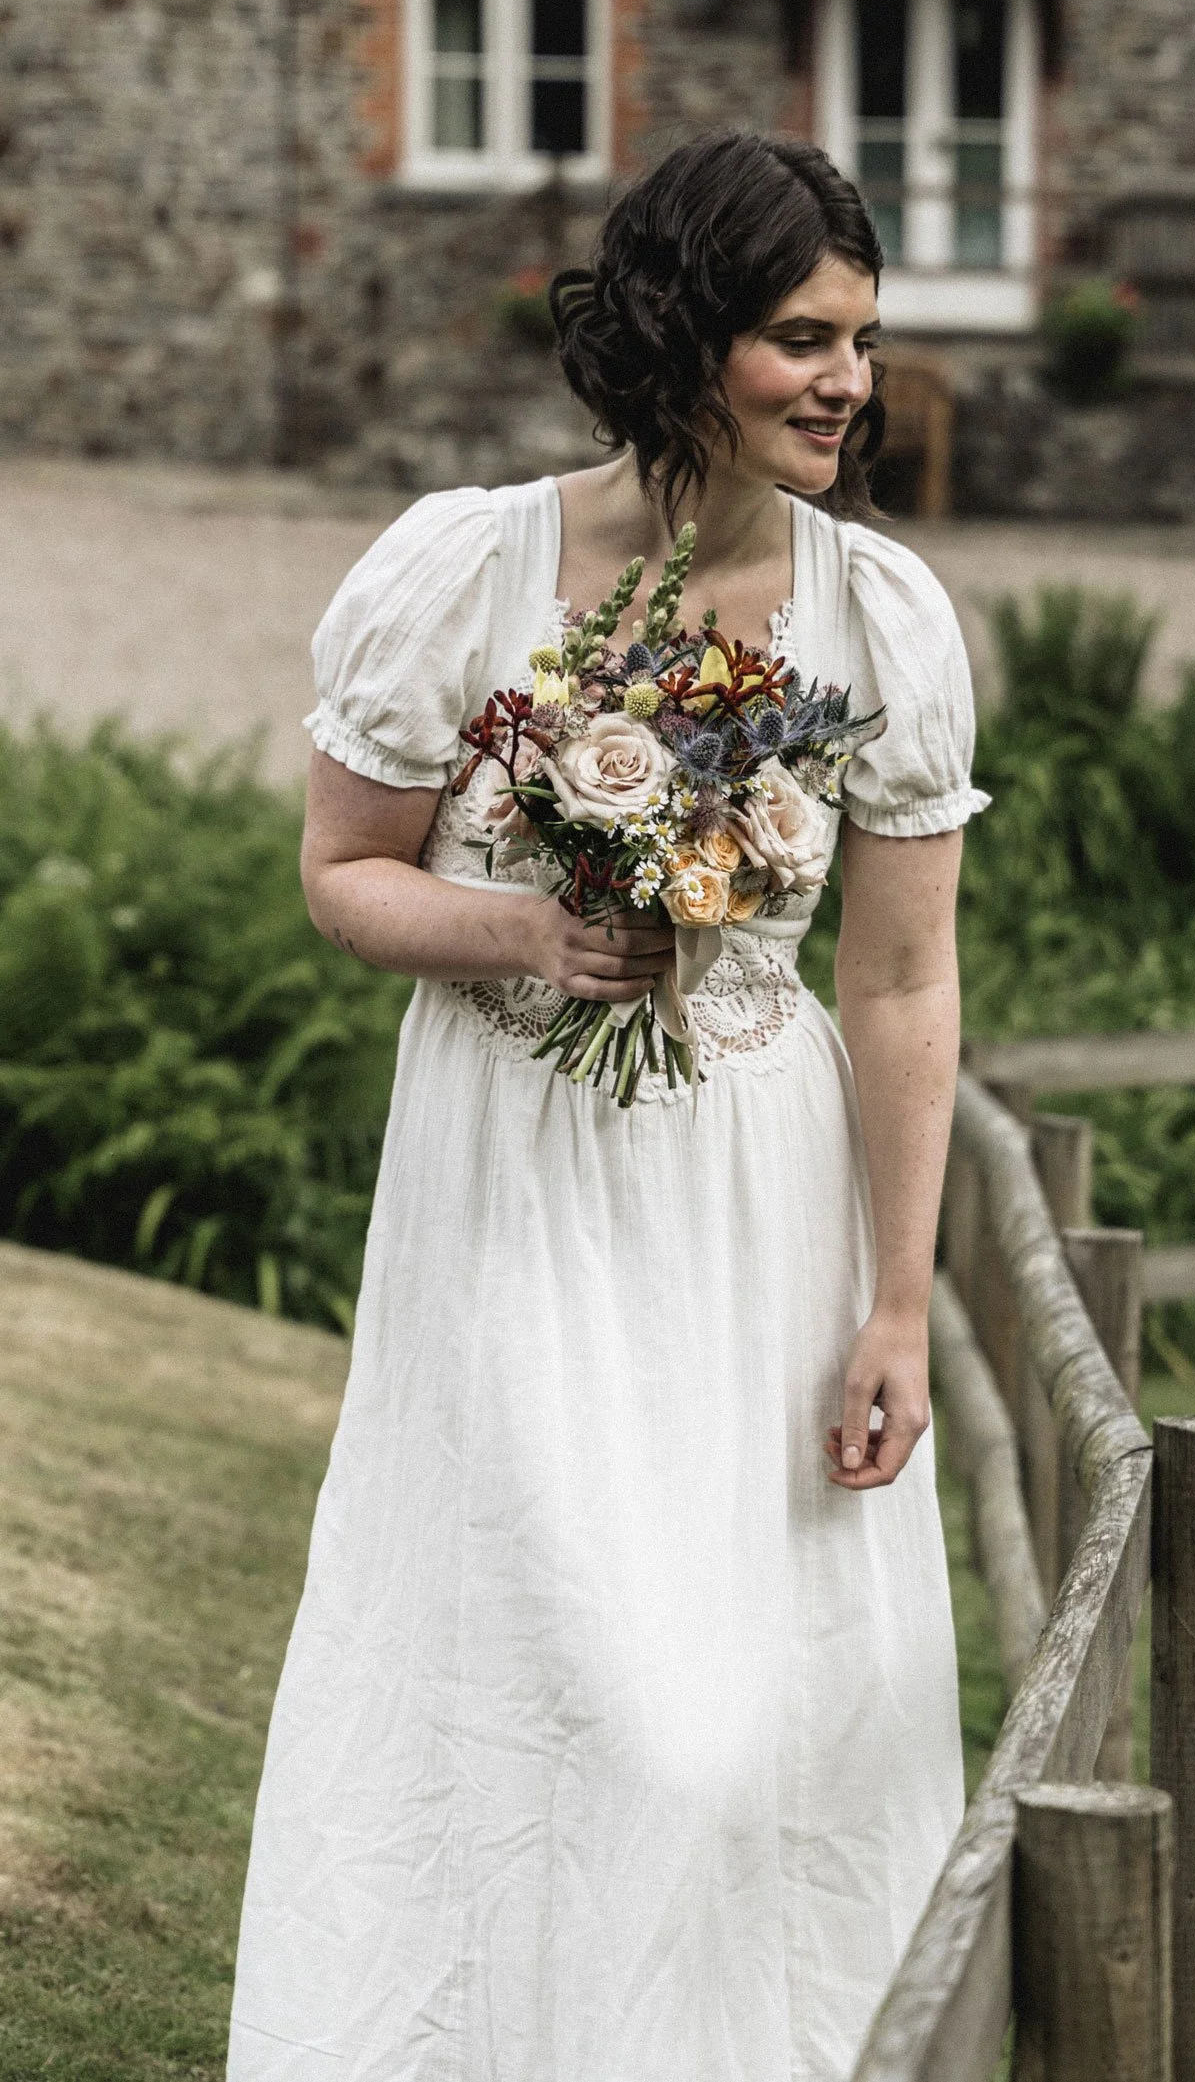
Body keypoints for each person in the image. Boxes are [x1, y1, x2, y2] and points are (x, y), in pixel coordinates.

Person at [228, 129, 987, 2082]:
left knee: (738, 1698)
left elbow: (899, 984)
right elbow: (340, 872)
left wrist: (892, 1305)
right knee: (542, 1650)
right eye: (801, 335)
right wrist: (524, 934)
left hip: (753, 1183)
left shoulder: (877, 616)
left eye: (860, 338)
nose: (846, 378)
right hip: (507, 1176)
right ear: (681, 335)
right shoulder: (460, 567)